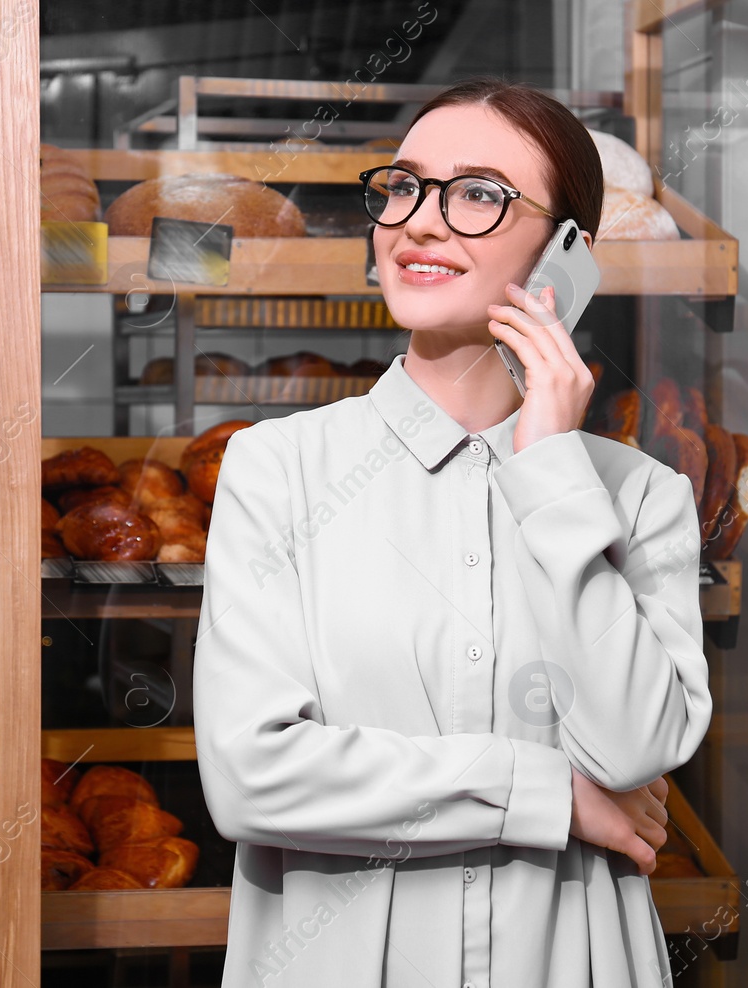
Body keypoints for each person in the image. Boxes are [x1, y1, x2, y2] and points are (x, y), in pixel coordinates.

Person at [193, 76, 713, 988]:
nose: (419, 223)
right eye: (403, 187)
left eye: (478, 194)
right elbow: (250, 774)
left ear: (568, 258)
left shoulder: (642, 498)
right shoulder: (277, 468)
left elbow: (635, 746)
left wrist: (550, 468)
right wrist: (548, 794)